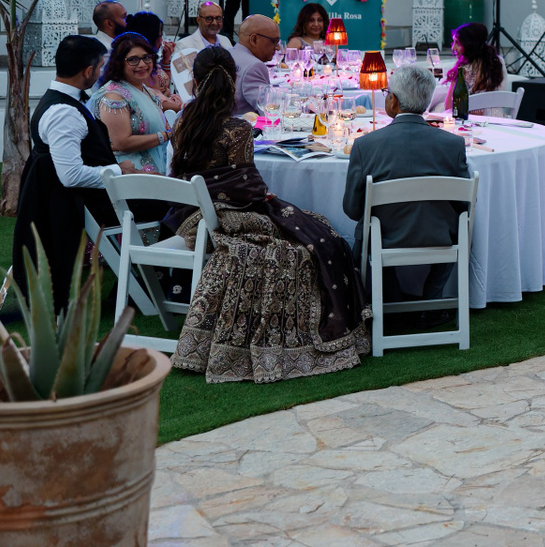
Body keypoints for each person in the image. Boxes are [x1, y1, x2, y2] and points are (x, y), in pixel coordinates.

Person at [166, 48, 369, 382]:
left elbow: (218, 177)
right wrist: (265, 197)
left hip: (186, 214)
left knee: (308, 227)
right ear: (233, 82)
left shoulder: (182, 121)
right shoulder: (236, 128)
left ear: (195, 81)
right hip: (223, 216)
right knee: (318, 236)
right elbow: (245, 188)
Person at [342, 64, 470, 308]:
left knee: (368, 225)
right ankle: (431, 299)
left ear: (394, 100)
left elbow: (352, 209)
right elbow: (464, 205)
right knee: (460, 225)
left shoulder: (365, 145)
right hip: (439, 235)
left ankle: (390, 298)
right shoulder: (453, 144)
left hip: (384, 237)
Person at [12, 35, 118, 310]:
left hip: (75, 199)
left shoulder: (64, 102)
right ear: (88, 71)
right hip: (81, 204)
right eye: (100, 67)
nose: (101, 72)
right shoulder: (63, 112)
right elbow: (70, 175)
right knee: (169, 210)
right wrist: (119, 170)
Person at [91, 33, 182, 175]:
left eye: (146, 58)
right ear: (119, 62)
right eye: (133, 60)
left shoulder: (145, 89)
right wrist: (166, 135)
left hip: (157, 167)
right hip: (133, 174)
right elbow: (122, 142)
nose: (142, 64)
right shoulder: (114, 96)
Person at [173, 1, 231, 93]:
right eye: (209, 18)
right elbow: (181, 82)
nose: (214, 23)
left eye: (218, 18)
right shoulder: (184, 45)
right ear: (198, 20)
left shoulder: (225, 41)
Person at [229, 14, 279, 115]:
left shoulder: (228, 53)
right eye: (274, 41)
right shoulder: (254, 66)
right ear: (254, 39)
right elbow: (269, 111)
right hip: (243, 123)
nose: (277, 47)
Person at [124, 11, 178, 99]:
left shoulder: (151, 59)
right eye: (160, 35)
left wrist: (166, 59)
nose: (162, 40)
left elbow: (164, 87)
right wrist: (167, 94)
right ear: (152, 37)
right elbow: (154, 98)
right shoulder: (141, 65)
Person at [453, 21, 504, 96]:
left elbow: (449, 102)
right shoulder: (497, 62)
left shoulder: (463, 69)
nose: (453, 48)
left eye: (458, 43)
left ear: (469, 45)